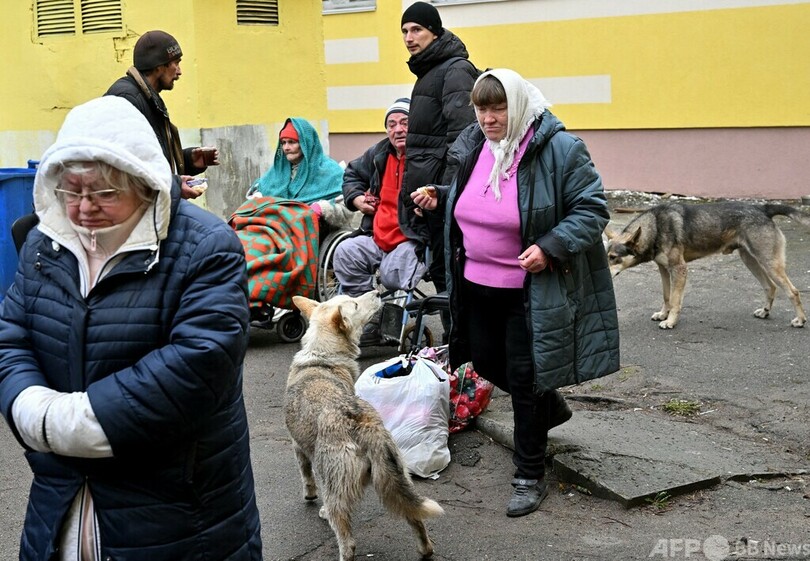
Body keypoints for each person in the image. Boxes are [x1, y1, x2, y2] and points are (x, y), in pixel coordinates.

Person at [0, 96, 262, 559]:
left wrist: (74, 422)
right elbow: (12, 336)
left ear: (142, 183)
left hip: (180, 515)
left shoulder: (207, 247)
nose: (83, 207)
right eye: (71, 191)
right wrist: (28, 407)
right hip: (62, 505)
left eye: (104, 192)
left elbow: (201, 360)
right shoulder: (44, 243)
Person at [412, 68, 620, 517]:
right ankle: (548, 406)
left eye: (498, 108)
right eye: (481, 109)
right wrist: (441, 195)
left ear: (519, 106)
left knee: (524, 379)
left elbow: (592, 209)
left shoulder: (560, 149)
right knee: (486, 363)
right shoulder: (475, 144)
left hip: (528, 290)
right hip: (475, 285)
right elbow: (480, 198)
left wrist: (549, 247)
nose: (487, 118)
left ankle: (529, 473)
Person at [400, 1, 479, 336]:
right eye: (404, 31)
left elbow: (463, 141)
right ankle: (455, 346)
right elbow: (424, 147)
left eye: (416, 29)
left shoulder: (454, 70)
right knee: (443, 275)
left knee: (454, 276)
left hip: (446, 200)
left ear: (434, 31)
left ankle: (464, 348)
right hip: (431, 201)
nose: (409, 37)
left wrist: (443, 194)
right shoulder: (429, 72)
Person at [334, 98, 427, 343]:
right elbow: (351, 174)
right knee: (345, 252)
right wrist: (356, 199)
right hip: (376, 236)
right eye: (392, 124)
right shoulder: (379, 153)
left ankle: (389, 318)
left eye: (405, 123)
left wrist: (428, 206)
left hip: (411, 238)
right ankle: (369, 317)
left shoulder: (425, 157)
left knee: (390, 275)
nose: (398, 129)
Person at [105, 30, 218, 200]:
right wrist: (177, 186)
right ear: (159, 66)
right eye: (176, 63)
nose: (179, 72)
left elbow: (152, 157)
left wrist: (188, 160)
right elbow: (131, 169)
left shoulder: (148, 97)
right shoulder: (128, 99)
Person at [246, 117, 344, 206]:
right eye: (283, 143)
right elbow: (260, 193)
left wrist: (321, 209)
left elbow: (342, 205)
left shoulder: (331, 172)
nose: (286, 148)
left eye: (292, 142)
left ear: (307, 144)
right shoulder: (277, 172)